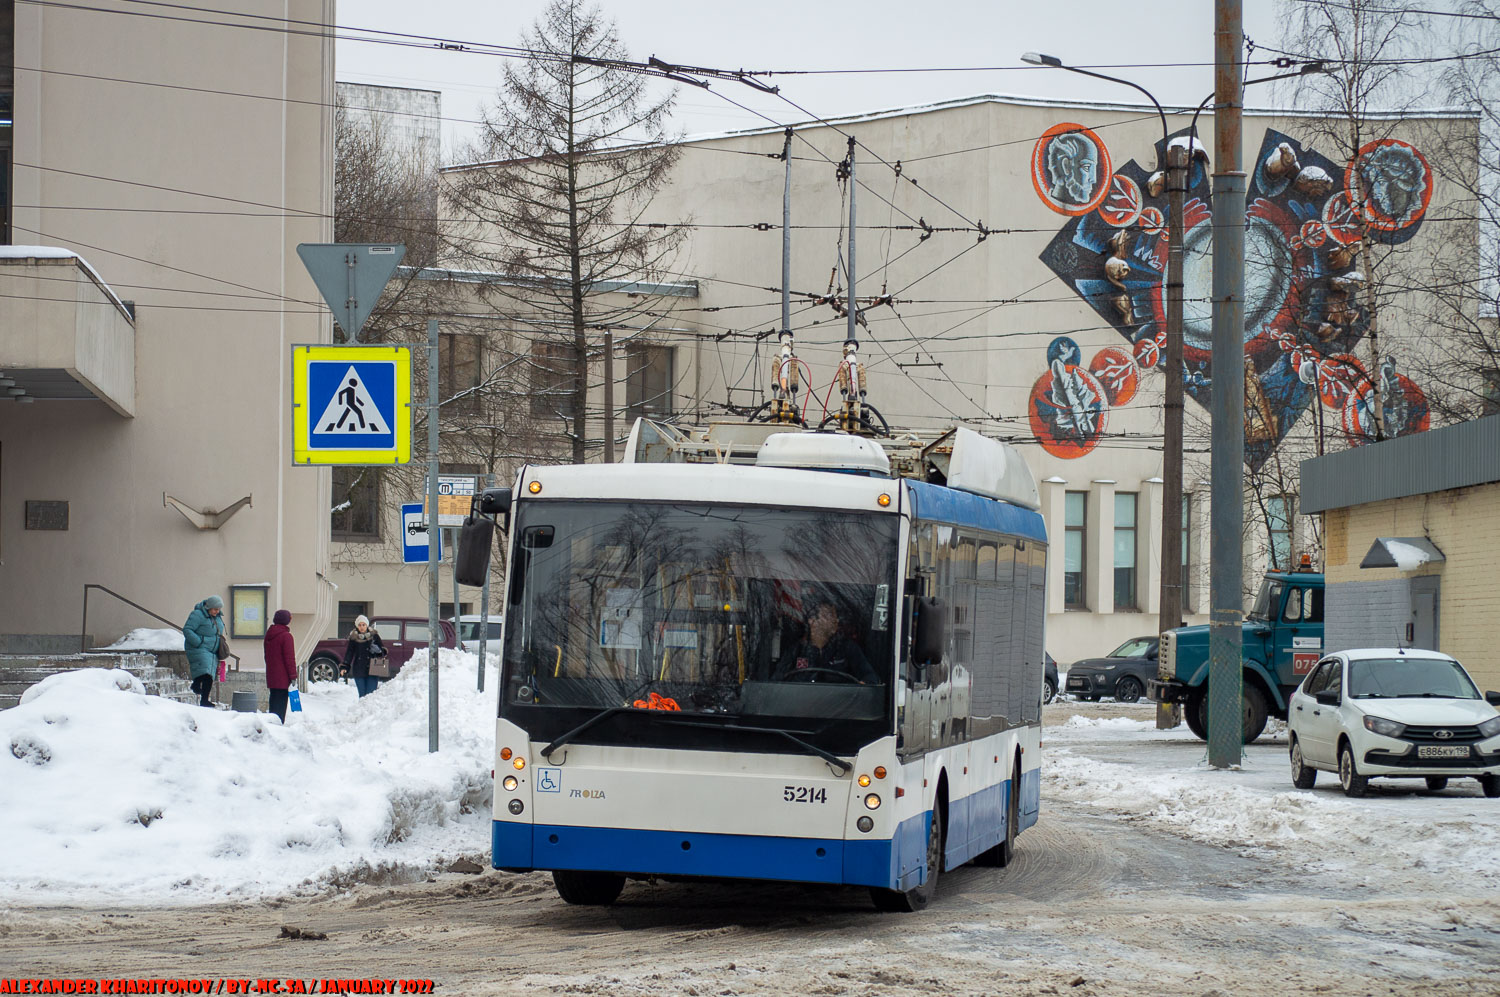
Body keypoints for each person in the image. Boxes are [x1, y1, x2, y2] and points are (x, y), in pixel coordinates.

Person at [776, 600, 878, 684]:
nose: (835, 621)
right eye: (828, 615)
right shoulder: (796, 651)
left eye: (835, 616)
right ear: (812, 621)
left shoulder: (847, 648)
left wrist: (863, 685)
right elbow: (776, 682)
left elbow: (870, 677)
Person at [183, 595, 226, 707]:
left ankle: (204, 699)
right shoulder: (198, 615)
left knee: (210, 675)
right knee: (206, 673)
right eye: (215, 609)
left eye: (219, 609)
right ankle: (197, 686)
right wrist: (199, 642)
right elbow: (187, 629)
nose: (217, 611)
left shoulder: (217, 617)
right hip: (199, 647)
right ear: (209, 607)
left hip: (212, 650)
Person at [340, 615, 387, 698]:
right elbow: (349, 653)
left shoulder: (374, 636)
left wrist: (378, 650)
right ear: (357, 626)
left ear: (367, 625)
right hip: (359, 669)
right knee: (362, 695)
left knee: (371, 695)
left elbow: (383, 651)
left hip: (373, 668)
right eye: (360, 625)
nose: (362, 627)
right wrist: (345, 666)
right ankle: (361, 710)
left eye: (363, 625)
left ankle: (370, 710)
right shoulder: (353, 638)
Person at [264, 609, 296, 722]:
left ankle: (272, 723)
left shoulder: (269, 634)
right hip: (282, 677)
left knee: (273, 700)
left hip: (272, 675)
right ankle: (278, 725)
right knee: (281, 704)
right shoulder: (286, 636)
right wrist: (293, 676)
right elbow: (289, 658)